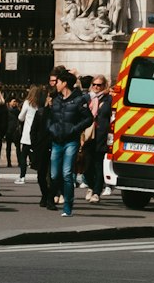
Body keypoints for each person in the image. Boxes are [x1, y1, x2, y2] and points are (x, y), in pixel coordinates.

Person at [41, 72, 89, 216]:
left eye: (58, 82)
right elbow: (48, 117)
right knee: (55, 175)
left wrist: (74, 129)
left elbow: (88, 119)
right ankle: (59, 197)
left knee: (67, 173)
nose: (55, 84)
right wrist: (51, 128)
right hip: (57, 140)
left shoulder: (78, 100)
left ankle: (68, 206)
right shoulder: (55, 100)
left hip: (71, 141)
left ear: (65, 83)